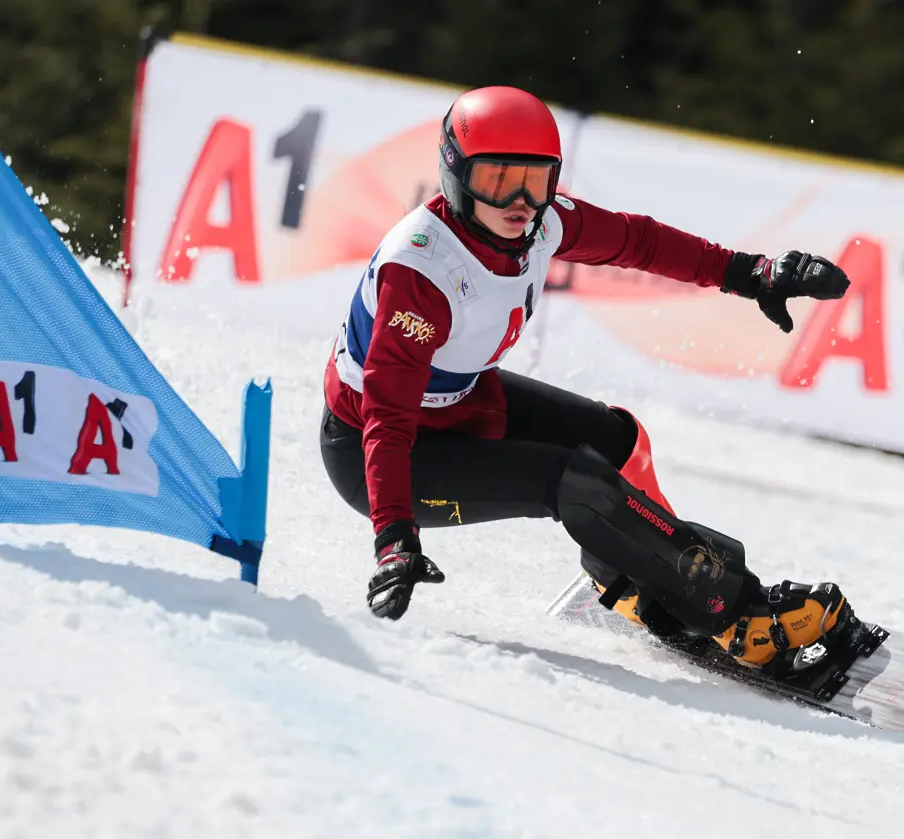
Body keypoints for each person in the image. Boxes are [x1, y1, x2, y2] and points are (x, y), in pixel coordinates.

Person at [320, 85, 864, 683]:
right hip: (384, 460)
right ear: (455, 174)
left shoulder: (541, 223)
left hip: (460, 404)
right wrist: (394, 536)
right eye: (500, 180)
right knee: (570, 481)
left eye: (537, 179)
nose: (523, 201)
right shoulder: (421, 271)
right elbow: (387, 420)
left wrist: (750, 273)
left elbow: (640, 241)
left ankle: (656, 583)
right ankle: (738, 617)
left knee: (617, 443)